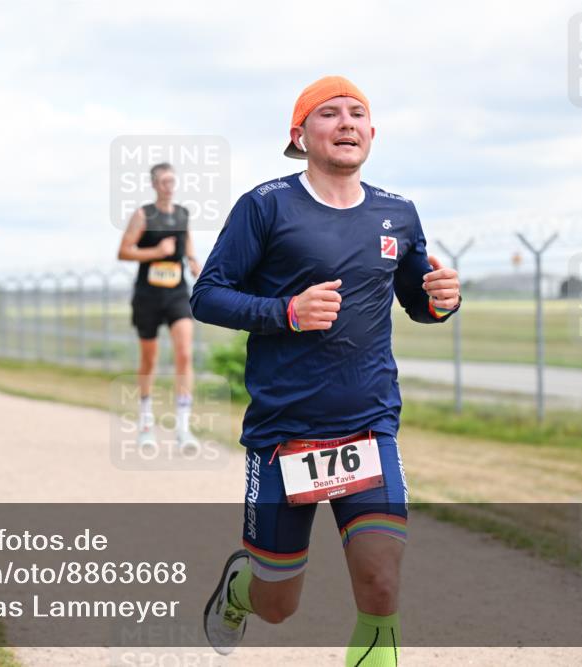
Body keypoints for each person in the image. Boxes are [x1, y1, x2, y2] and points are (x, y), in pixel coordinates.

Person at [192, 76, 461, 666]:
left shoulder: (398, 213)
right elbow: (207, 296)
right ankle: (240, 589)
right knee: (277, 604)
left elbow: (419, 300)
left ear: (372, 132)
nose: (346, 123)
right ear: (299, 136)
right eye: (329, 113)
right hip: (283, 433)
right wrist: (287, 312)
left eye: (357, 113)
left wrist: (443, 300)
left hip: (369, 426)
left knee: (381, 583)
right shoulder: (265, 206)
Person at [117, 162, 202, 455]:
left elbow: (187, 246)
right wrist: (156, 251)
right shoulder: (143, 215)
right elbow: (124, 251)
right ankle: (145, 424)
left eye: (171, 181)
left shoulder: (182, 214)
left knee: (184, 353)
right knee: (149, 360)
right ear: (154, 184)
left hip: (177, 292)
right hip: (148, 295)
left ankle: (183, 427)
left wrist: (193, 262)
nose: (169, 186)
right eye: (164, 181)